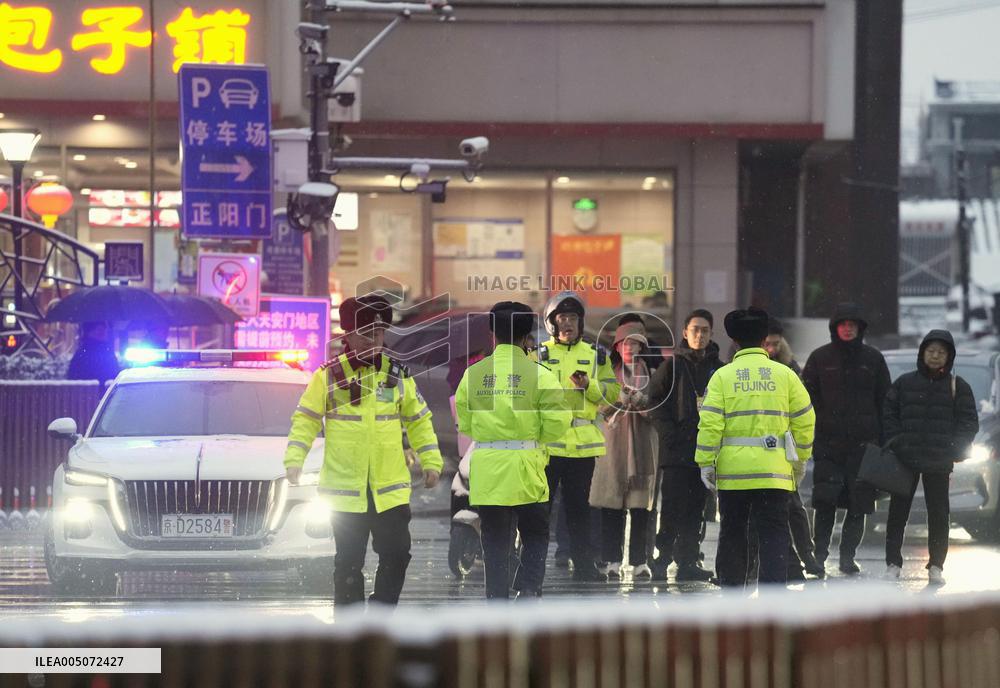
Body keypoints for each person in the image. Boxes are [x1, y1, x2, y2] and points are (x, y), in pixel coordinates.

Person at [284, 295, 443, 606]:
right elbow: (306, 419)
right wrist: (294, 460)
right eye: (368, 333)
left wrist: (431, 461)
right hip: (345, 492)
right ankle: (349, 631)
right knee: (348, 562)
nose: (376, 340)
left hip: (390, 491)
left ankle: (382, 615)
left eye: (380, 333)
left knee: (398, 555)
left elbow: (419, 420)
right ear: (349, 336)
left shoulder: (397, 375)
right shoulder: (328, 376)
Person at [456, 302, 572, 598]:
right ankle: (529, 587)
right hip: (526, 467)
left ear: (493, 333)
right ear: (526, 336)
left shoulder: (474, 374)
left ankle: (497, 601)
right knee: (535, 532)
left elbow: (466, 422)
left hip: (489, 468)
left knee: (495, 541)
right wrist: (533, 440)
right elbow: (558, 423)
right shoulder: (540, 374)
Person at [695, 307, 815, 589]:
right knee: (774, 534)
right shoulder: (785, 375)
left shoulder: (722, 377)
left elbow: (710, 424)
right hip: (774, 473)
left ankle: (733, 590)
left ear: (735, 342)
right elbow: (806, 420)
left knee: (733, 532)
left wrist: (705, 462)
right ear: (765, 340)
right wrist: (799, 462)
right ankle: (773, 597)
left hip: (733, 474)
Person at [534, 291, 620, 581]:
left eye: (573, 318)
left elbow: (613, 393)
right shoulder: (539, 355)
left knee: (579, 511)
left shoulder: (597, 355)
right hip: (548, 447)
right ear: (552, 324)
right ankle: (531, 566)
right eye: (562, 319)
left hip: (582, 448)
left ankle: (583, 567)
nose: (568, 323)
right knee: (540, 510)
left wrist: (590, 387)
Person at [882, 330, 979, 585]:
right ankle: (893, 562)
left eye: (941, 352)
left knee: (938, 514)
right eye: (931, 351)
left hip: (939, 460)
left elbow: (969, 422)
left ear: (949, 356)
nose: (935, 356)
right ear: (922, 353)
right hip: (905, 458)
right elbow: (888, 414)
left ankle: (936, 565)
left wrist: (955, 448)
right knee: (897, 513)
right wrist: (897, 442)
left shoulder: (958, 386)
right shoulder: (904, 383)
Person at [802, 303, 891, 575]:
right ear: (835, 328)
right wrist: (815, 433)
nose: (848, 328)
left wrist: (883, 441)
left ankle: (847, 557)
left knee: (858, 504)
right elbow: (807, 399)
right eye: (843, 324)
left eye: (853, 324)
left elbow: (885, 400)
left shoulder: (873, 359)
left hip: (865, 447)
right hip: (828, 445)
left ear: (860, 328)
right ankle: (818, 555)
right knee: (825, 502)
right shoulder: (819, 358)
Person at [648, 309, 725, 582]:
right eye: (695, 329)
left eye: (705, 330)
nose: (700, 335)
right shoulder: (673, 365)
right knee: (671, 508)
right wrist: (671, 435)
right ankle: (662, 558)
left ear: (711, 333)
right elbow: (654, 402)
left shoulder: (720, 368)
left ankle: (688, 560)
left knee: (697, 509)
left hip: (706, 452)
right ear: (685, 333)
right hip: (677, 451)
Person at [589, 320, 658, 579]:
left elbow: (659, 407)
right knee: (612, 503)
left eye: (635, 342)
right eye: (626, 342)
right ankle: (612, 560)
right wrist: (617, 401)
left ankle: (640, 561)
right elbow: (596, 404)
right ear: (617, 346)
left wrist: (641, 402)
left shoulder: (652, 371)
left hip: (642, 440)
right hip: (614, 442)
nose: (630, 347)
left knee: (641, 505)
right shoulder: (607, 372)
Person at [760, 317, 824, 580]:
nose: (772, 349)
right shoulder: (748, 367)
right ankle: (792, 561)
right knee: (772, 509)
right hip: (757, 444)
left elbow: (801, 406)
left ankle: (805, 555)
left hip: (782, 444)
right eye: (768, 344)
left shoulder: (790, 367)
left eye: (776, 343)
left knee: (792, 505)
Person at [67, 321, 120, 387]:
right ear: (90, 332)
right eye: (99, 330)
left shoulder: (106, 350)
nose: (103, 332)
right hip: (93, 391)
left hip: (94, 390)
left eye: (104, 329)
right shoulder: (85, 351)